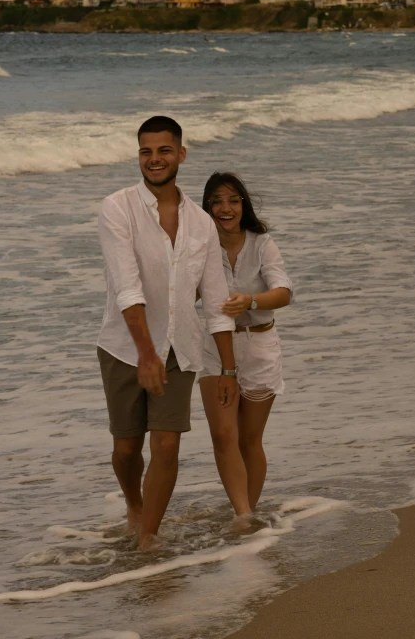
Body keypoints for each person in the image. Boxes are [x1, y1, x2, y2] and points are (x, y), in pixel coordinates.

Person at [97, 117, 236, 551]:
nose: (154, 159)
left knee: (167, 446)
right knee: (125, 450)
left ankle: (147, 537)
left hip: (180, 348)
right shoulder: (117, 208)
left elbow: (215, 300)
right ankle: (134, 503)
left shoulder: (201, 223)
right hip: (124, 347)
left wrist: (228, 367)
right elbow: (127, 286)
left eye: (163, 150)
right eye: (146, 151)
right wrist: (145, 354)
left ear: (181, 154)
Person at [198, 172, 293, 517]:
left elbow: (283, 293)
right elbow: (188, 292)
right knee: (224, 437)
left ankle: (247, 513)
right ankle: (243, 516)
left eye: (233, 200)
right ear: (207, 207)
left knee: (249, 440)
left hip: (260, 345)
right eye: (217, 201)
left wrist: (251, 300)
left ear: (243, 205)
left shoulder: (261, 243)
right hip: (214, 346)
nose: (225, 208)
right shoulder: (201, 246)